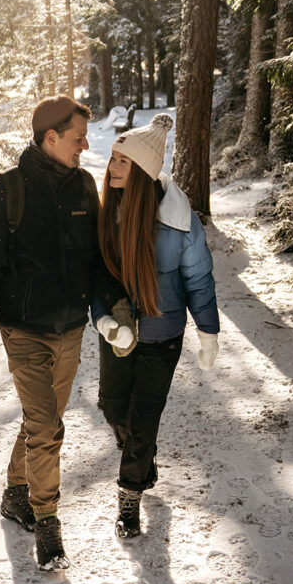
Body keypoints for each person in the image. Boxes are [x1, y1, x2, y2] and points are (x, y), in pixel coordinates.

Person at [0, 95, 120, 571]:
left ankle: (15, 493)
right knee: (49, 427)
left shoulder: (83, 188)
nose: (85, 144)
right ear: (50, 138)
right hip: (24, 329)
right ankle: (47, 521)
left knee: (40, 423)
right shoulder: (6, 192)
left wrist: (114, 307)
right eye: (77, 137)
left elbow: (95, 262)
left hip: (70, 329)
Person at [92, 112, 220, 538]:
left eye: (122, 161)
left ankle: (130, 497)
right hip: (120, 333)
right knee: (113, 408)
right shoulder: (107, 213)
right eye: (112, 158)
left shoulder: (180, 224)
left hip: (162, 337)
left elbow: (198, 278)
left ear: (144, 171)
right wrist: (107, 320)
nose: (112, 167)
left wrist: (208, 331)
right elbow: (98, 278)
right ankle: (142, 458)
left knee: (144, 419)